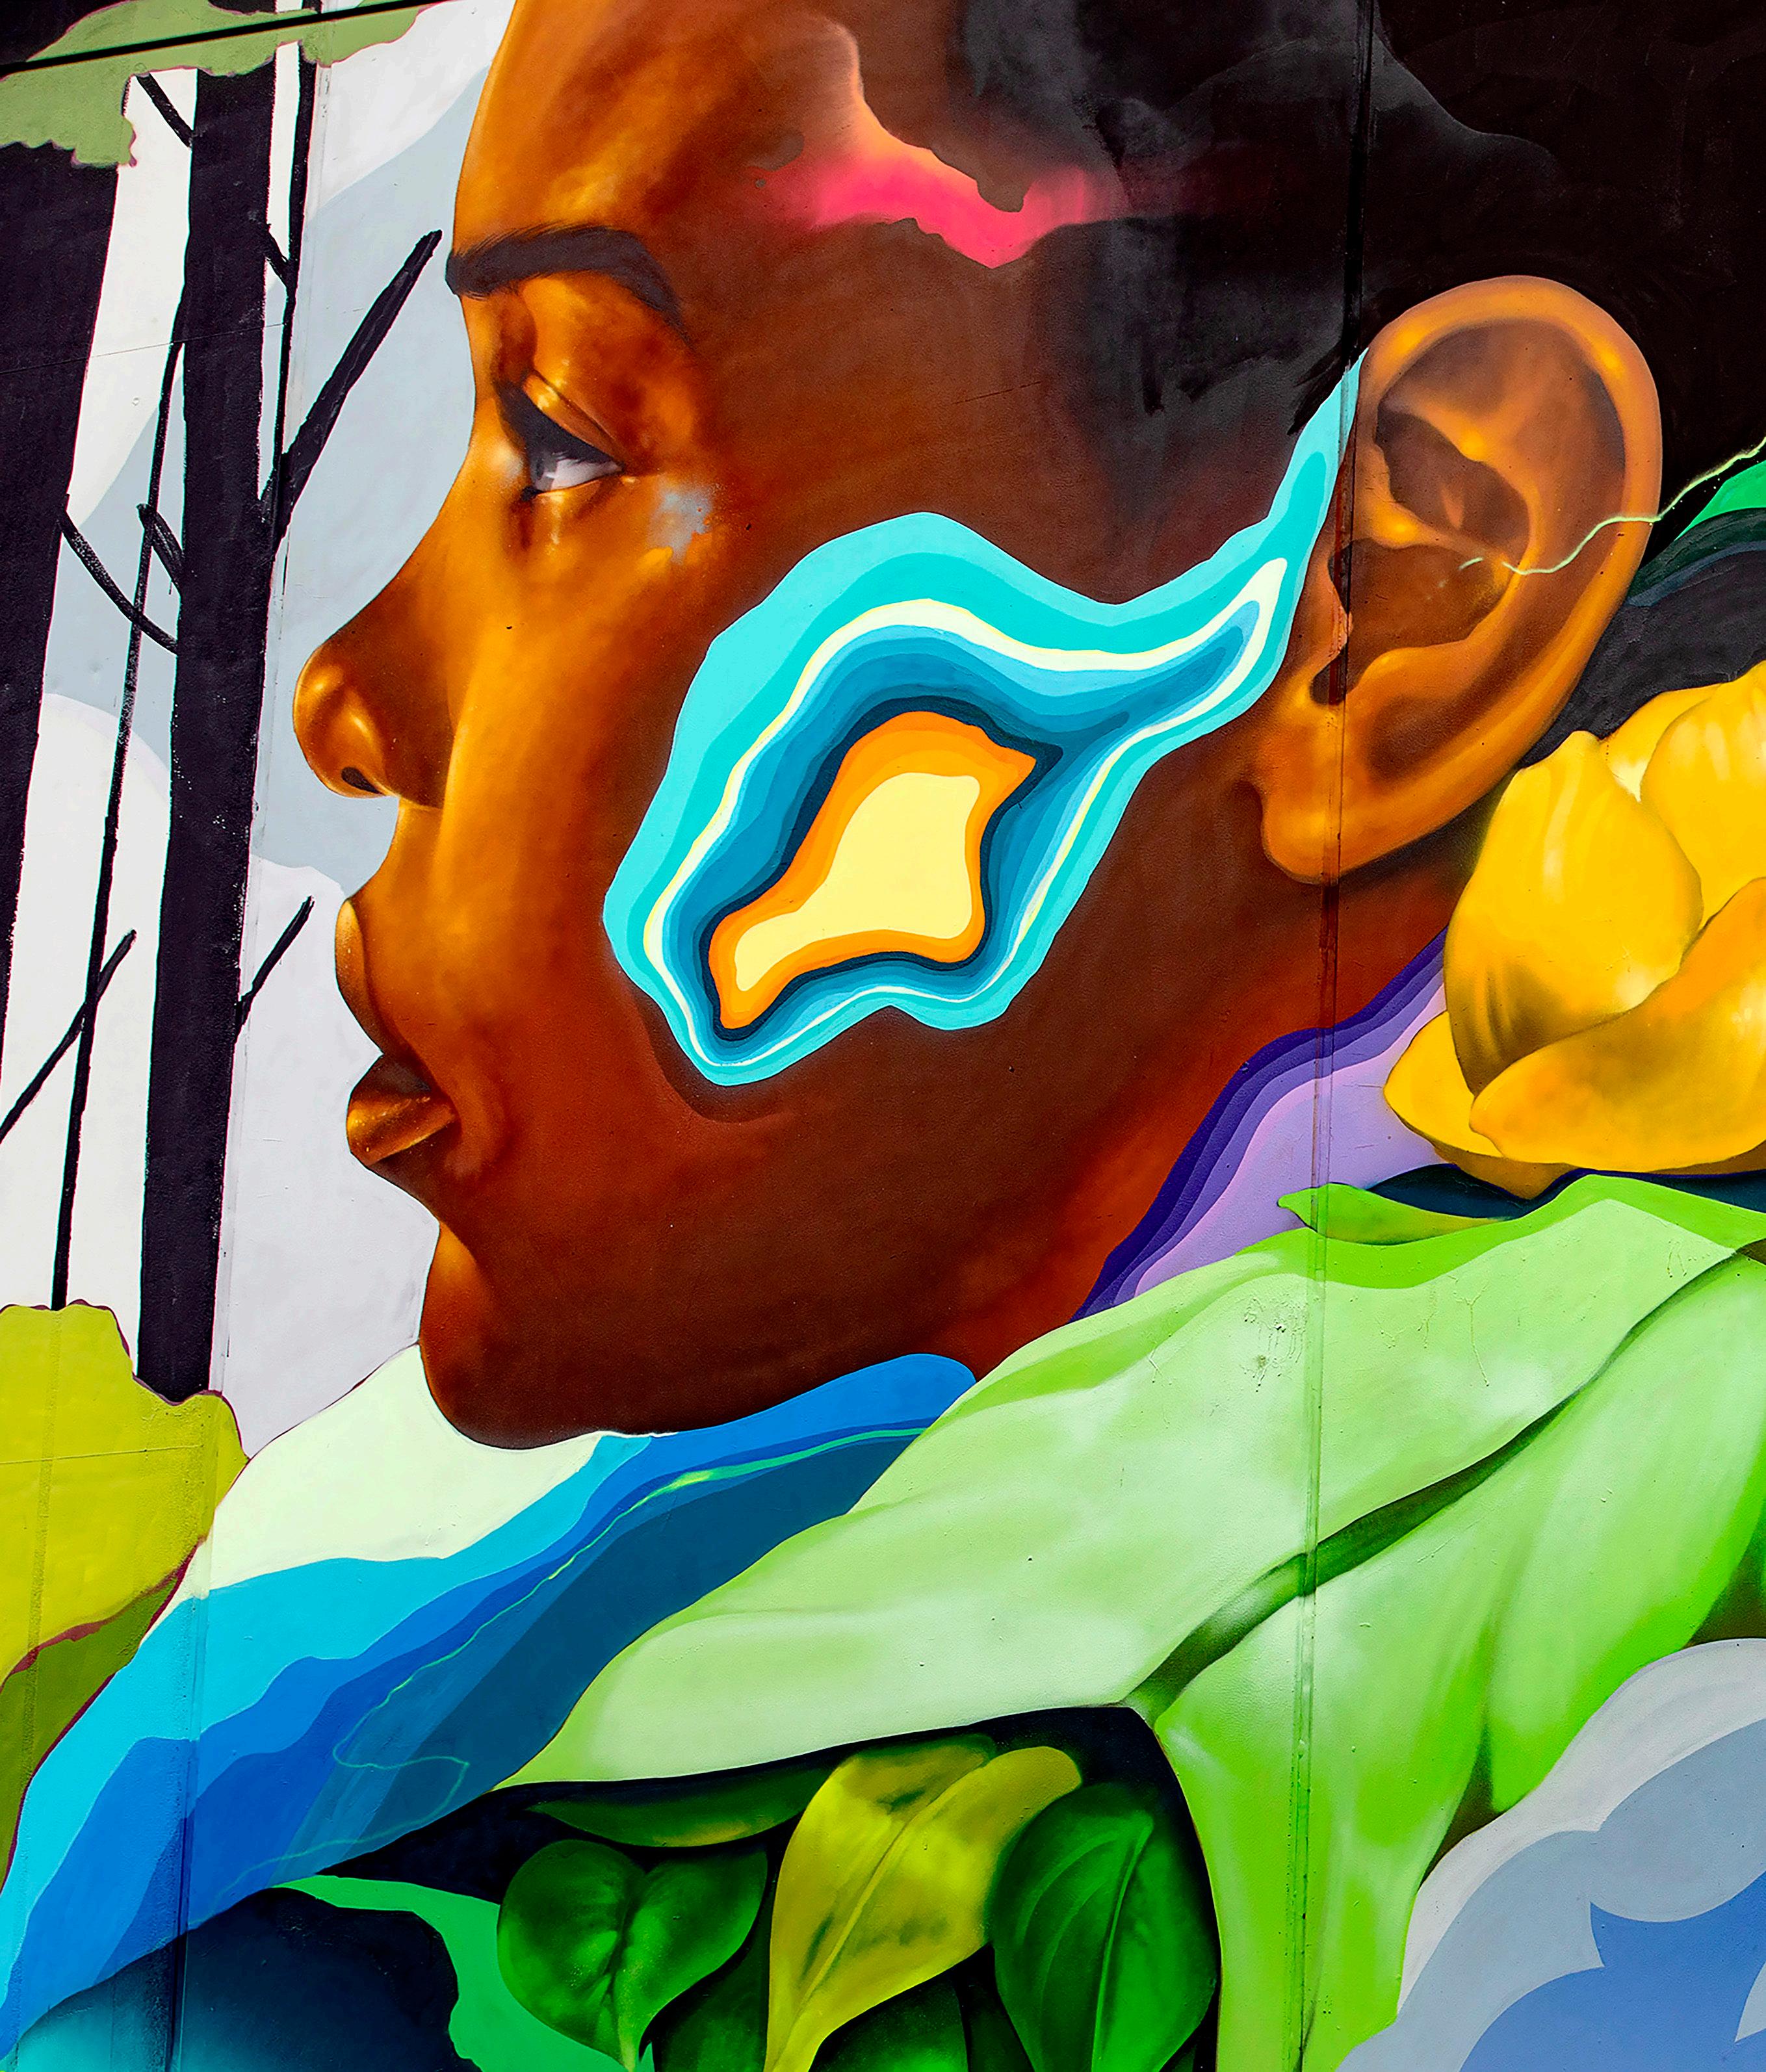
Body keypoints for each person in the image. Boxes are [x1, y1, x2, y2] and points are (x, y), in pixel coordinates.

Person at [6, 1, 1766, 2067]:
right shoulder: (394, 1610)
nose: (350, 696)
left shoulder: (1590, 1799)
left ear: (1405, 593)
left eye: (569, 434)